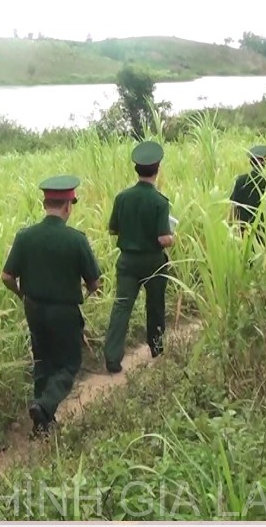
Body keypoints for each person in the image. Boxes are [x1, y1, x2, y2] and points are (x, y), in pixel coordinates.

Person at [0, 174, 102, 435]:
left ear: (45, 204)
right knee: (68, 364)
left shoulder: (25, 237)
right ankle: (44, 405)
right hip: (64, 311)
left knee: (42, 362)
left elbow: (7, 276)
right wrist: (89, 292)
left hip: (34, 309)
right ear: (68, 205)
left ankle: (41, 425)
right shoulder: (76, 239)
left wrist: (22, 295)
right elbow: (94, 282)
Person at [103, 140, 174, 374]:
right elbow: (164, 238)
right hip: (153, 261)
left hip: (127, 262)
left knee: (122, 307)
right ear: (158, 169)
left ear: (137, 170)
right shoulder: (159, 201)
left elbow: (113, 229)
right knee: (154, 306)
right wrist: (171, 238)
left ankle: (112, 358)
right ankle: (156, 349)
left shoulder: (122, 198)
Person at [229, 144, 266, 247]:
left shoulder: (240, 180)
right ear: (264, 163)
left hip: (243, 228)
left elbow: (233, 204)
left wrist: (230, 225)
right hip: (262, 228)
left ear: (250, 162)